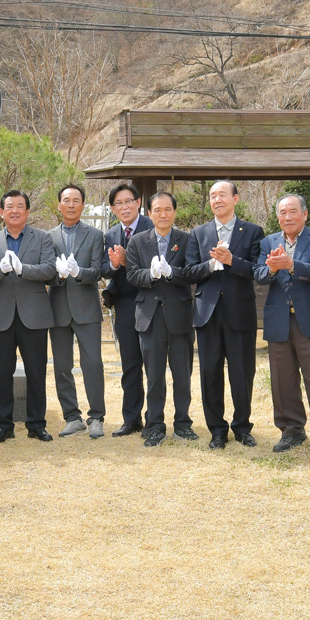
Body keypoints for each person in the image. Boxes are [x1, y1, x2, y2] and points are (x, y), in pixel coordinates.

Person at [254, 193, 310, 458]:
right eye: (282, 213)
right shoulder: (268, 241)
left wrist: (291, 265)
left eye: (293, 212)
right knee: (282, 380)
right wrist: (271, 268)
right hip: (278, 319)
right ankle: (291, 430)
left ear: (304, 214)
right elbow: (258, 274)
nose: (287, 217)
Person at [183, 180, 264, 449]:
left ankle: (242, 426)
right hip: (207, 313)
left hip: (240, 312)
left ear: (235, 199)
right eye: (212, 196)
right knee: (210, 373)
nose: (217, 200)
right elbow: (189, 272)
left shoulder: (252, 231)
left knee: (242, 372)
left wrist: (231, 261)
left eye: (222, 195)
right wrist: (211, 264)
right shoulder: (198, 233)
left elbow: (258, 270)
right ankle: (217, 429)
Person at [0, 189, 58, 442]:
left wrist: (23, 269)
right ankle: (4, 425)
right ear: (1, 212)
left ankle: (36, 424)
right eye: (9, 207)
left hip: (34, 316)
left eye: (20, 206)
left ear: (27, 211)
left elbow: (49, 270)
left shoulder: (43, 238)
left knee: (36, 372)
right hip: (1, 317)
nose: (15, 211)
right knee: (2, 373)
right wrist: (0, 269)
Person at [125, 191, 196, 447]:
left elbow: (192, 272)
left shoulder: (186, 239)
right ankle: (154, 424)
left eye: (168, 209)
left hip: (180, 314)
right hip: (149, 316)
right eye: (157, 210)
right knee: (154, 375)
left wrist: (171, 272)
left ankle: (183, 423)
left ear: (174, 212)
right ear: (149, 213)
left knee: (182, 374)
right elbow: (132, 275)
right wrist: (151, 274)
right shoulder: (137, 241)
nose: (163, 214)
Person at [47, 183, 107, 438]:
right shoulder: (48, 236)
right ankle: (72, 417)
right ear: (59, 204)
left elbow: (98, 271)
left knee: (92, 363)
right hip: (58, 308)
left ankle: (97, 416)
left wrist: (79, 272)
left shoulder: (95, 235)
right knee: (62, 366)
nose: (71, 205)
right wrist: (58, 275)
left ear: (83, 205)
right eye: (66, 200)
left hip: (87, 308)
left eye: (76, 201)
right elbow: (46, 272)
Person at [101, 183, 153, 436]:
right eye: (118, 203)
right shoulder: (111, 234)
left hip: (151, 302)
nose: (124, 207)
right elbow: (104, 269)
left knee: (153, 364)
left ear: (138, 202)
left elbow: (156, 264)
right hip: (124, 304)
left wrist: (127, 261)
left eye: (128, 201)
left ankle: (154, 419)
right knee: (130, 364)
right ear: (113, 209)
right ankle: (131, 419)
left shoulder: (152, 227)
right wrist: (114, 265)